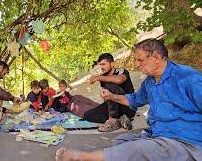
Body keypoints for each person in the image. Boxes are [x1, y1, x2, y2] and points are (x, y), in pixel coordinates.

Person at [55, 39, 202, 161]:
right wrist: (112, 97)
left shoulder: (187, 78)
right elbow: (135, 99)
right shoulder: (150, 82)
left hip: (186, 142)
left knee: (140, 149)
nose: (137, 64)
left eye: (140, 60)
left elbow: (119, 81)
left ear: (156, 58)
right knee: (120, 141)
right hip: (158, 134)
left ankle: (81, 157)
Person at [84, 53, 136, 132]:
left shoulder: (121, 71)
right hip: (115, 109)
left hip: (127, 106)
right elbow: (106, 97)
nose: (101, 67)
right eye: (100, 65)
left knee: (110, 85)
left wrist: (98, 77)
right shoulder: (103, 77)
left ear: (112, 64)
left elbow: (118, 80)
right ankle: (120, 119)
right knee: (88, 115)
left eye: (104, 64)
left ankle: (113, 120)